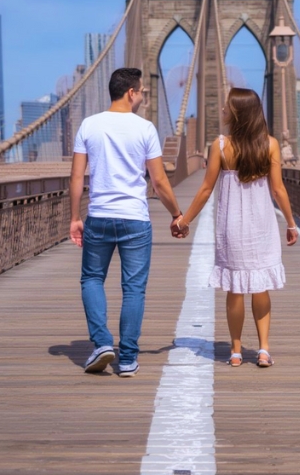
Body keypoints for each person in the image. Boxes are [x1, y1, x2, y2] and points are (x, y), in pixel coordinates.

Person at [69, 67, 185, 377]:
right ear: (131, 93)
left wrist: (74, 217)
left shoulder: (89, 125)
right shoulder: (145, 129)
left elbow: (77, 177)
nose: (144, 95)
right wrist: (177, 215)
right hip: (134, 218)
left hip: (100, 216)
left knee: (92, 279)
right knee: (134, 289)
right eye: (143, 91)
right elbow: (159, 181)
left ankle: (103, 343)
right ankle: (128, 358)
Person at [174, 88, 298, 368]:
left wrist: (184, 221)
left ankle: (235, 351)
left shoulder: (220, 146)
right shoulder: (271, 145)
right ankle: (264, 350)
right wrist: (291, 223)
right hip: (262, 226)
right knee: (260, 287)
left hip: (232, 227)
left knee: (235, 289)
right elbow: (278, 190)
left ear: (239, 113)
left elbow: (206, 189)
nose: (222, 111)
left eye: (227, 107)